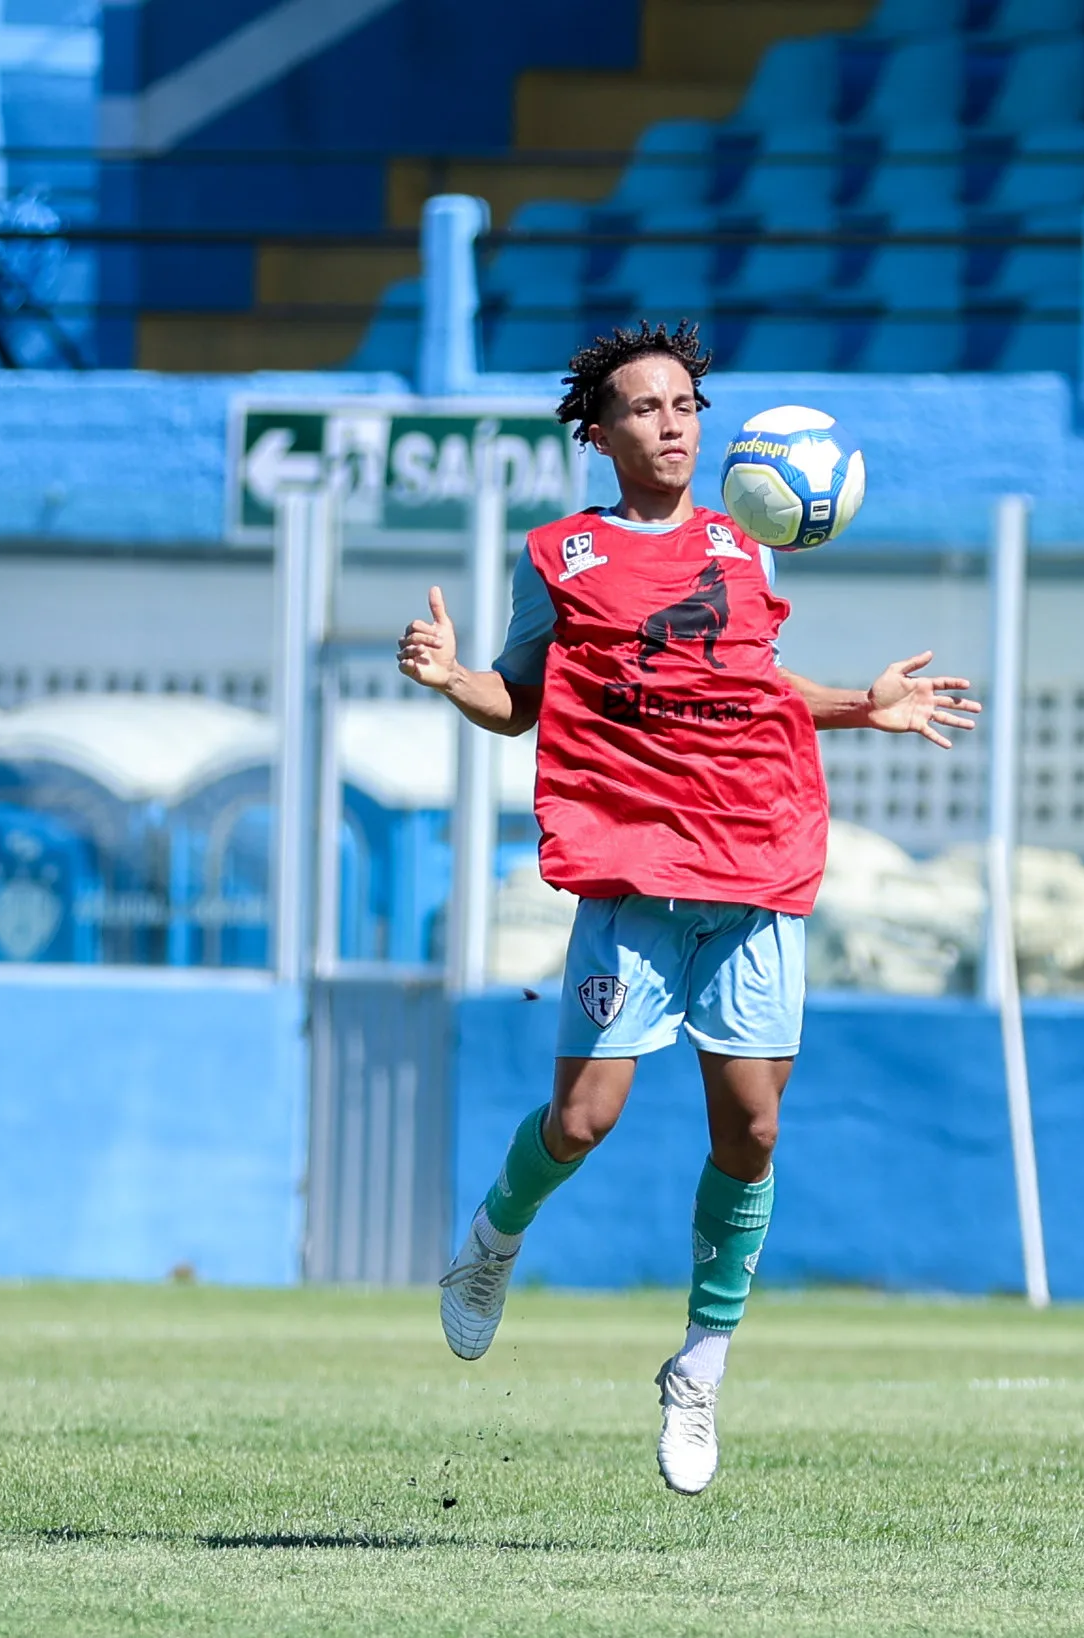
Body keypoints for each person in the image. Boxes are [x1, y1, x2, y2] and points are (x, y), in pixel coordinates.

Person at [397, 321, 978, 1494]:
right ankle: (489, 1247)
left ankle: (701, 1363)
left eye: (685, 406)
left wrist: (864, 706)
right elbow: (520, 698)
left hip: (757, 860)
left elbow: (755, 687)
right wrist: (456, 679)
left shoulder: (747, 546)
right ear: (600, 431)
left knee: (752, 1132)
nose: (672, 424)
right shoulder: (559, 554)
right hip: (631, 875)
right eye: (646, 408)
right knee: (583, 1121)